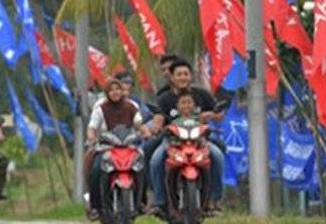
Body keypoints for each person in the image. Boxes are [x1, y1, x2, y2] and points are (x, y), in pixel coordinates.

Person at [147, 58, 226, 217]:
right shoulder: (164, 98)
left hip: (200, 141)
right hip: (172, 141)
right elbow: (158, 117)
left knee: (217, 155)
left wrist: (212, 115)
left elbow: (219, 113)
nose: (182, 77)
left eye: (185, 74)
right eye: (179, 74)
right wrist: (157, 124)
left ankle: (213, 200)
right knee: (156, 159)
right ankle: (159, 201)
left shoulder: (202, 94)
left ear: (191, 76)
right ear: (172, 77)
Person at [86, 77, 149, 219]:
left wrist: (145, 132)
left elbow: (139, 124)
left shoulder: (131, 106)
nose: (115, 92)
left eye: (118, 89)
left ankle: (142, 201)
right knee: (96, 168)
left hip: (129, 146)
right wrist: (92, 137)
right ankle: (94, 204)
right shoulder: (100, 107)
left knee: (141, 165)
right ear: (106, 92)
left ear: (122, 90)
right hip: (106, 147)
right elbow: (92, 127)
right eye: (111, 90)